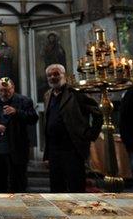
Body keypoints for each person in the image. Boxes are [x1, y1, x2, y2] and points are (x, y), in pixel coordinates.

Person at [43, 64, 103, 193]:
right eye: (50, 75)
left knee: (76, 188)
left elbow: (97, 113)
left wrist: (91, 134)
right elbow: (48, 123)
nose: (53, 77)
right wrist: (47, 154)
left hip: (73, 148)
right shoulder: (48, 95)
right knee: (56, 189)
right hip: (54, 151)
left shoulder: (76, 92)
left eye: (56, 74)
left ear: (64, 75)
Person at [0, 77, 39, 193]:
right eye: (1, 91)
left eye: (7, 90)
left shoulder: (24, 101)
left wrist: (16, 112)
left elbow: (33, 119)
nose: (4, 93)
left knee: (18, 186)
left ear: (13, 88)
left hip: (17, 150)